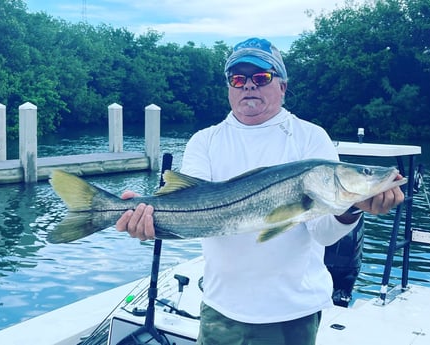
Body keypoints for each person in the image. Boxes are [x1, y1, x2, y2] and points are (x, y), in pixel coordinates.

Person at [116, 38, 404, 345]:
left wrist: (352, 208)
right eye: (238, 79)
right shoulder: (205, 141)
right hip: (221, 308)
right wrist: (150, 220)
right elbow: (189, 211)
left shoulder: (310, 138)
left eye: (261, 77)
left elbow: (323, 234)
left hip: (293, 311)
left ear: (282, 86)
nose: (248, 86)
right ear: (229, 88)